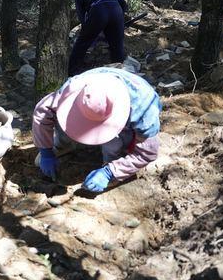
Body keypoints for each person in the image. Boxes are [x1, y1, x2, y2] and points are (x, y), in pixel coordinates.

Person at [32, 67, 162, 193]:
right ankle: (64, 144)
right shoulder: (75, 88)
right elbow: (43, 111)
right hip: (83, 103)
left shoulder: (143, 109)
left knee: (114, 143)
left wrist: (110, 172)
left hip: (125, 130)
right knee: (62, 116)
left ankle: (112, 161)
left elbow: (148, 152)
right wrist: (45, 151)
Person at [69, 0, 128, 76]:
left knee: (82, 42)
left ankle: (72, 72)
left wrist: (90, 31)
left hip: (98, 10)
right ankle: (119, 73)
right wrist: (117, 22)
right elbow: (124, 5)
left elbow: (83, 19)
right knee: (117, 45)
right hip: (117, 10)